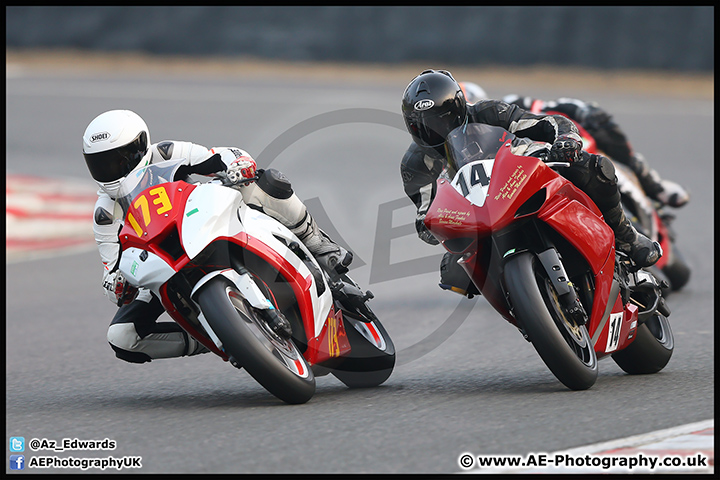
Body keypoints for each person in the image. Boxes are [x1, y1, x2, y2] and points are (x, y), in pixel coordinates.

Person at [83, 109, 352, 364]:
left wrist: (238, 164)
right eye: (101, 164)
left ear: (140, 146)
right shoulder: (105, 213)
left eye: (119, 159)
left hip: (203, 223)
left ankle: (318, 244)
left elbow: (219, 156)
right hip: (162, 265)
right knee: (121, 336)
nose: (111, 170)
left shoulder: (166, 153)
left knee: (264, 181)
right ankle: (222, 334)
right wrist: (115, 284)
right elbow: (111, 269)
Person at [400, 69, 661, 298]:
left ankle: (627, 237)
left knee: (594, 168)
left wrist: (566, 139)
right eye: (421, 125)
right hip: (478, 211)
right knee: (453, 273)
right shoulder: (415, 163)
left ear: (459, 110)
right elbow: (426, 211)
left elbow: (547, 123)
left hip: (524, 175)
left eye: (441, 119)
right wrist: (430, 224)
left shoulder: (489, 112)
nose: (434, 130)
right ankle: (522, 301)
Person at [458, 81, 690, 208]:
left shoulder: (507, 106)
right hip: (531, 170)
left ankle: (653, 185)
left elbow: (553, 106)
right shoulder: (467, 143)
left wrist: (581, 110)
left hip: (566, 148)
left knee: (602, 126)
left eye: (474, 105)